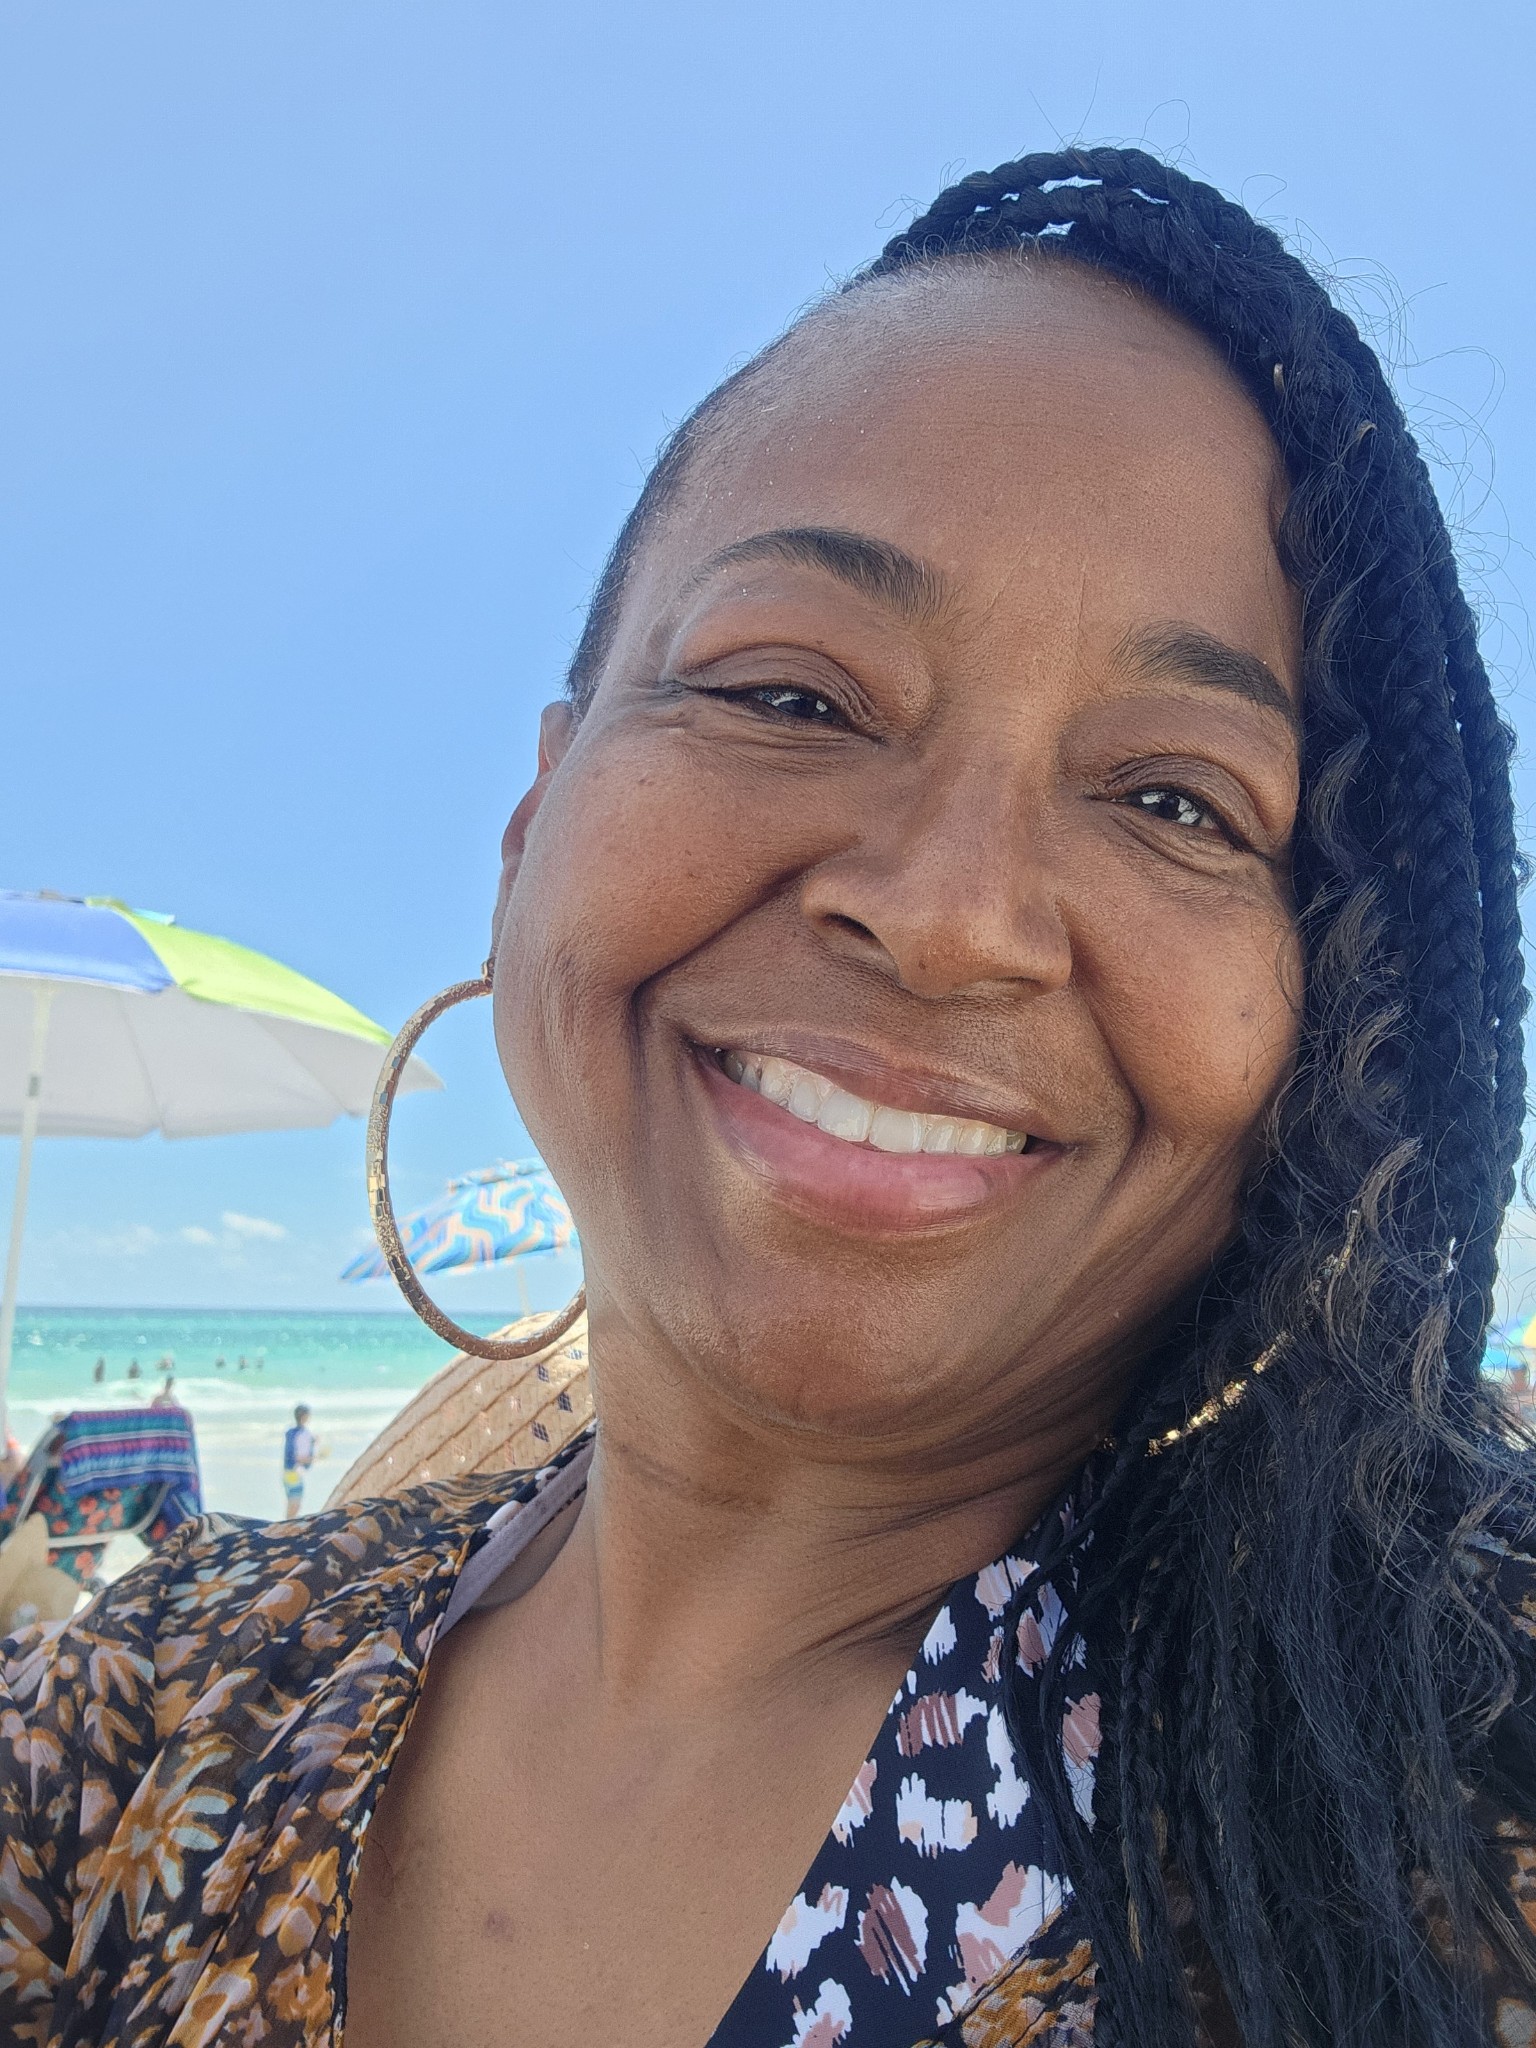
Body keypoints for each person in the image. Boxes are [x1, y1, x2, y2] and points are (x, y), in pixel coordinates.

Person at [2, 146, 1535, 2048]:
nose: (952, 911)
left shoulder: (1467, 1773)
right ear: (533, 817)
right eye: (790, 693)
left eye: (1174, 800)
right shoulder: (145, 1706)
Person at [281, 1402, 315, 1518]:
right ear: (304, 1416)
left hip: (288, 1471)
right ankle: (286, 1529)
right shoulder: (304, 1434)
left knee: (292, 1502)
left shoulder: (291, 1433)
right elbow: (298, 1457)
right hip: (295, 1472)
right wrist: (314, 1457)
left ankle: (286, 1526)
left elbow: (290, 1454)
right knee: (295, 1504)